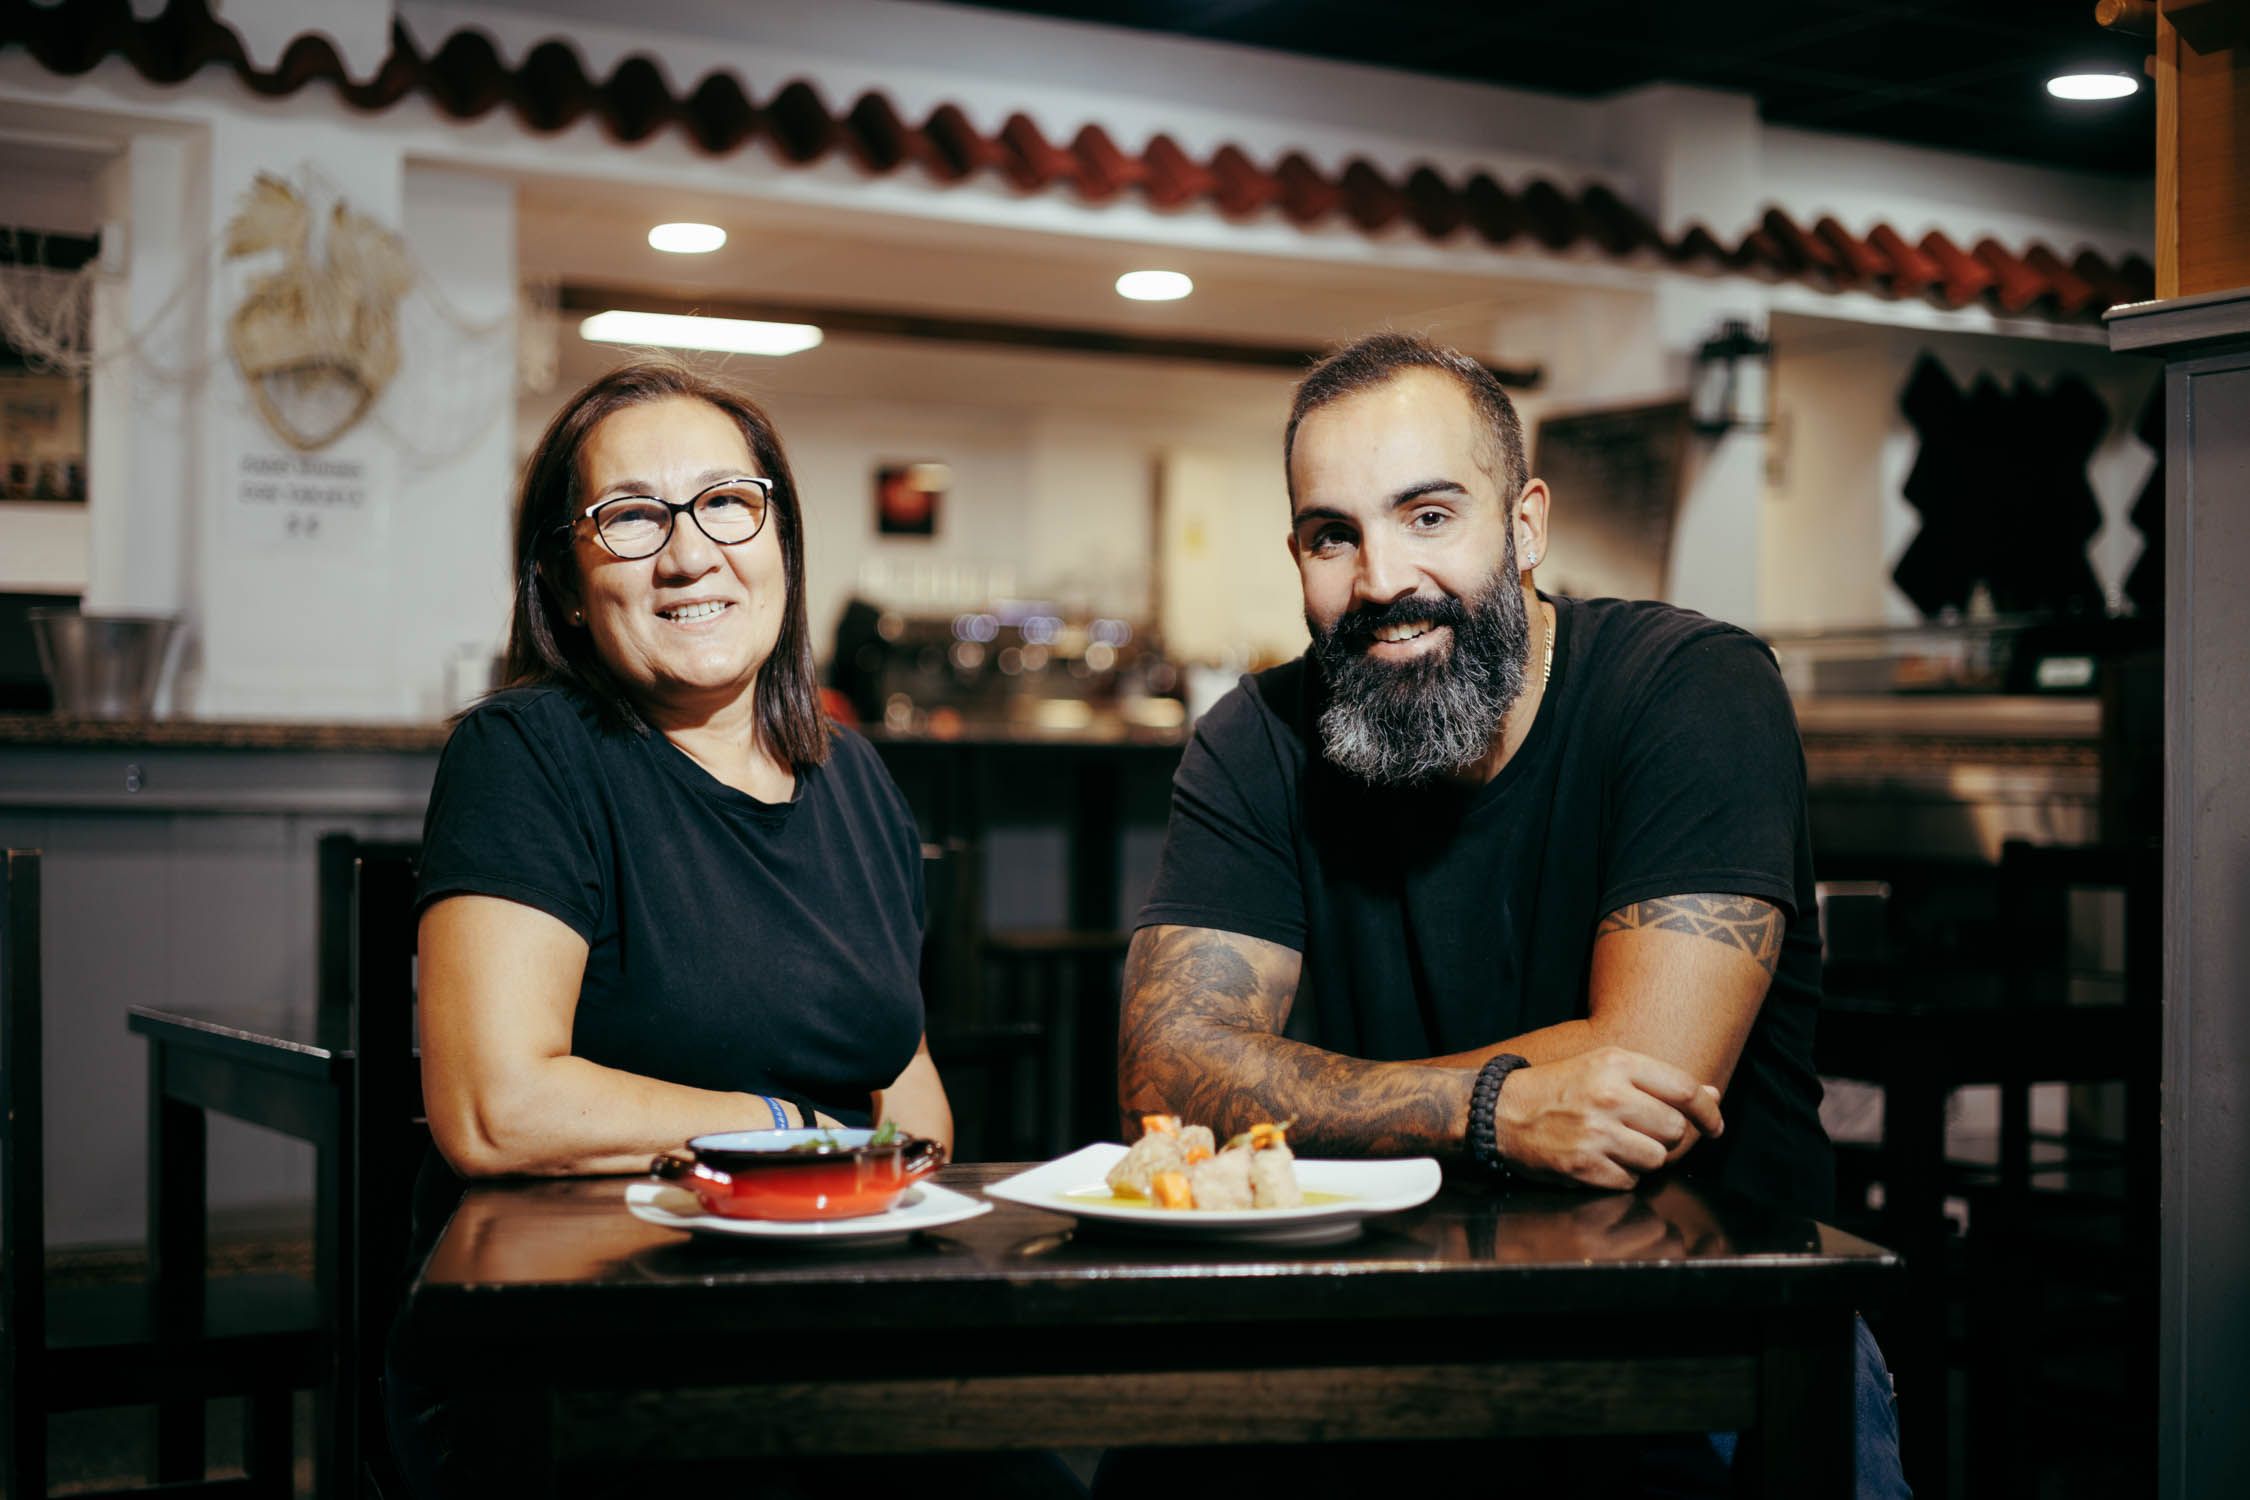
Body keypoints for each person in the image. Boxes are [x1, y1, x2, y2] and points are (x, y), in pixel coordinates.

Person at [1112, 332, 1905, 1496]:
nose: (1381, 580)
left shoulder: (1690, 689)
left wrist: (1294, 1091)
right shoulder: (1258, 739)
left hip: (1713, 1340)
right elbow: (1168, 1075)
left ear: (1527, 526)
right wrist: (1493, 1111)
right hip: (1387, 1321)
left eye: (1429, 516)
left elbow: (1646, 1082)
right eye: (1334, 535)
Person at [387, 360, 1075, 1498]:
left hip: (822, 1313)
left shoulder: (854, 781)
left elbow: (912, 1106)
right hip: (584, 1341)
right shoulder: (526, 757)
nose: (689, 553)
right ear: (565, 582)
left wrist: (849, 1184)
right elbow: (493, 1107)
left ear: (782, 546)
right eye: (631, 518)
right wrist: (788, 1136)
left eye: (726, 503)